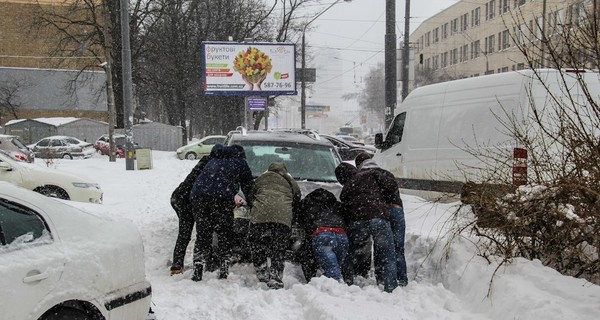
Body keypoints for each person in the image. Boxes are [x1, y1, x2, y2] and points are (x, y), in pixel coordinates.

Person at [189, 144, 254, 281]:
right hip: (221, 198)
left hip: (198, 197)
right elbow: (248, 186)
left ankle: (198, 269)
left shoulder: (214, 160)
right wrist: (253, 204)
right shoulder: (240, 162)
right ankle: (223, 268)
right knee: (224, 232)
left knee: (203, 233)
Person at [335, 162, 398, 293]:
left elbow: (345, 211)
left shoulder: (346, 188)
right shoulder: (371, 174)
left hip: (357, 222)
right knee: (387, 255)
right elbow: (391, 186)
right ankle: (390, 287)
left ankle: (347, 282)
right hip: (379, 218)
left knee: (349, 253)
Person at [355, 152, 408, 286]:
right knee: (397, 248)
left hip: (381, 212)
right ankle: (402, 280)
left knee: (381, 248)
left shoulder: (363, 176)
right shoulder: (386, 174)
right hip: (397, 209)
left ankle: (382, 279)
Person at [245, 162, 301, 289]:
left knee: (256, 242)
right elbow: (297, 196)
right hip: (282, 217)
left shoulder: (261, 178)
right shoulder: (289, 180)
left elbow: (251, 195)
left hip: (260, 215)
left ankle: (261, 270)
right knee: (279, 247)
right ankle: (276, 276)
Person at [169, 151, 214, 276]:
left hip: (178, 196)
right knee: (190, 232)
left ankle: (177, 265)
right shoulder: (211, 168)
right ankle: (177, 266)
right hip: (186, 201)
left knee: (185, 232)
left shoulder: (204, 164)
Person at [297, 188, 348, 282]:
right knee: (335, 266)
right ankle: (328, 285)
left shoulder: (308, 204)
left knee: (332, 270)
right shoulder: (336, 204)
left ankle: (333, 290)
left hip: (323, 235)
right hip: (342, 236)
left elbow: (301, 219)